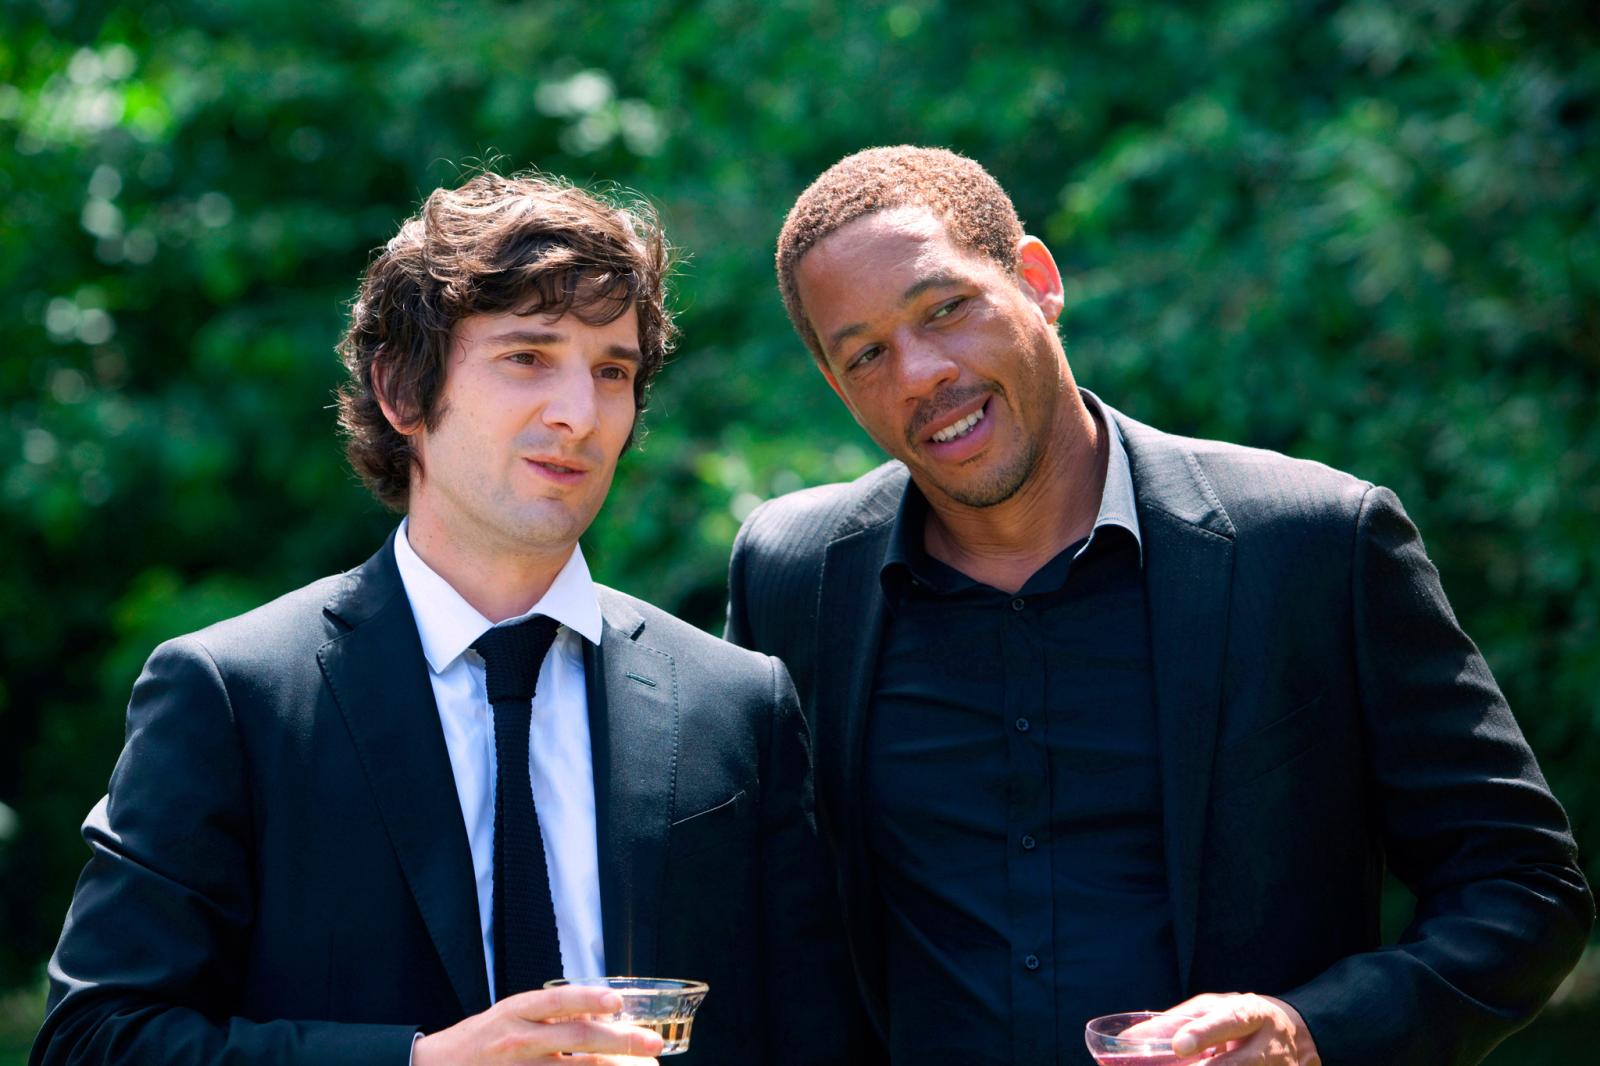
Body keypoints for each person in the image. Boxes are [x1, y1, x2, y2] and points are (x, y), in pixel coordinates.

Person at [724, 146, 1594, 1066]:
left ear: (1037, 282)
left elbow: (1523, 886)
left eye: (945, 308)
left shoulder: (1315, 542)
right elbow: (741, 918)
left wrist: (1310, 1032)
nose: (919, 373)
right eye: (866, 354)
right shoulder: (793, 576)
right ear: (836, 385)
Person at [34, 172, 849, 1066]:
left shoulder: (738, 704)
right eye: (527, 357)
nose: (579, 414)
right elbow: (93, 1039)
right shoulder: (233, 698)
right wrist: (418, 1063)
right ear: (401, 390)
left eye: (611, 372)